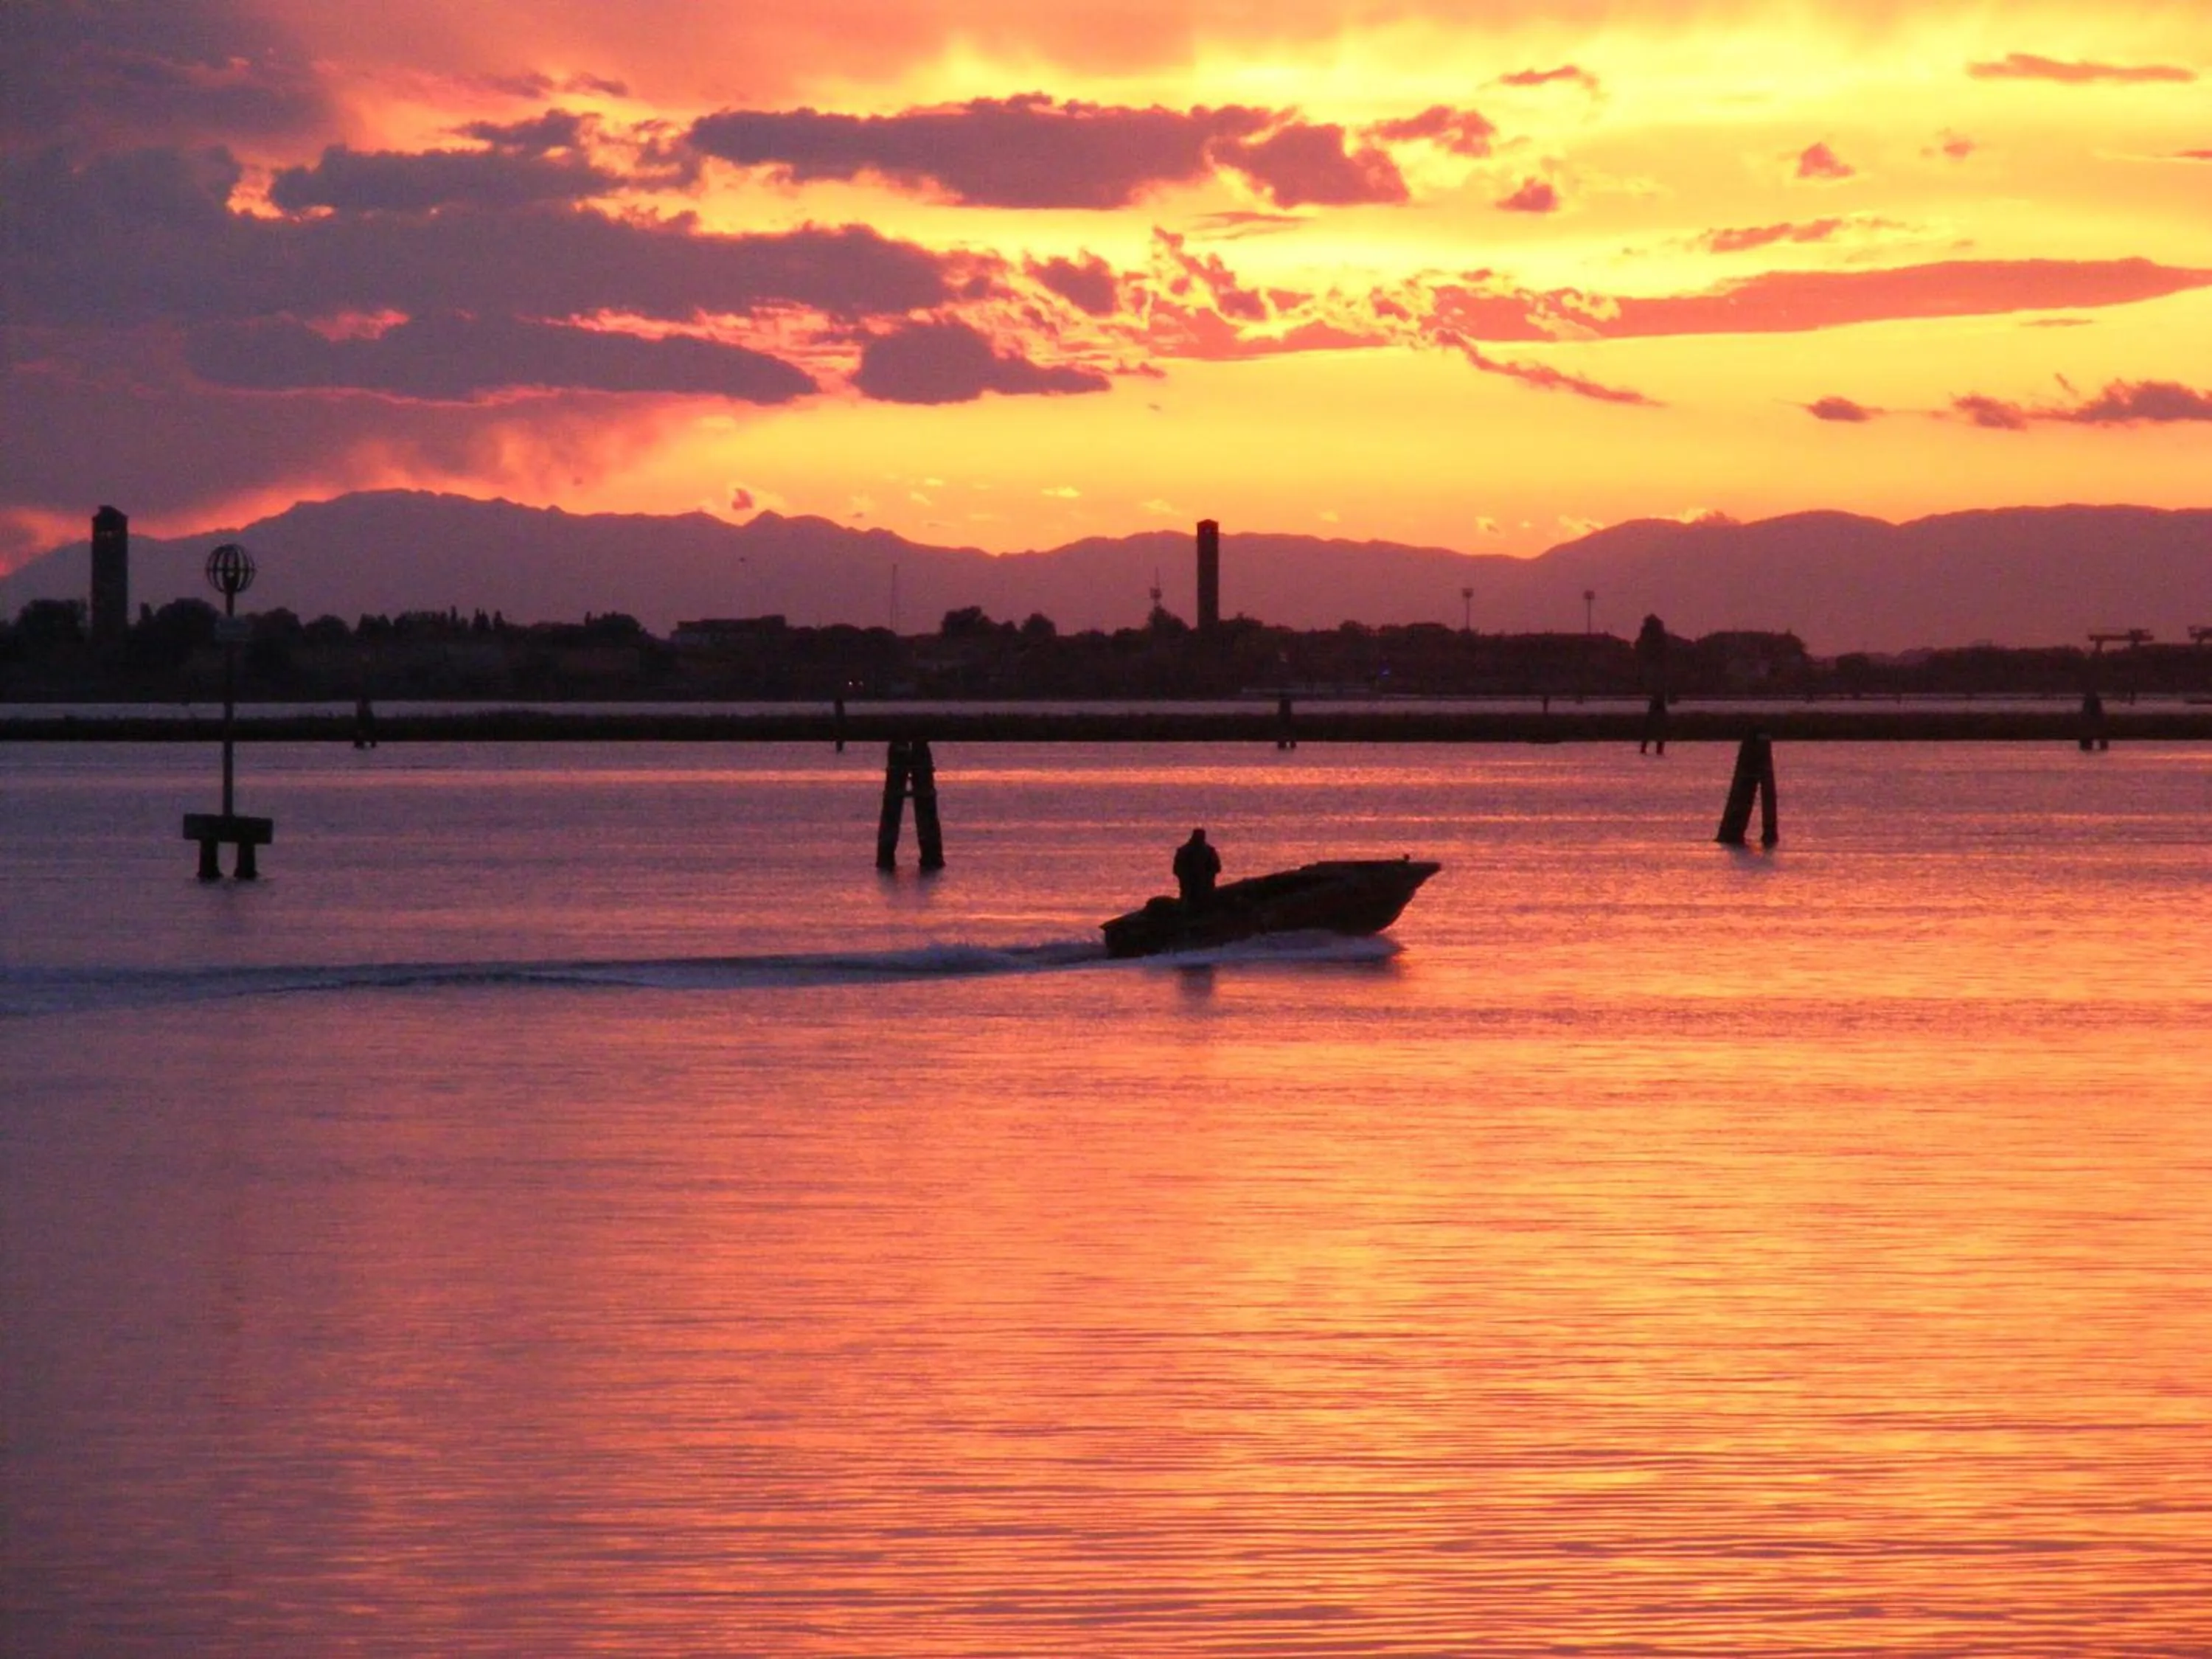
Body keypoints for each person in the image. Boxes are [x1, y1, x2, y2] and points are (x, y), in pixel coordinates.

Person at [1173, 827, 1221, 907]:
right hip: (1191, 885)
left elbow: (1216, 867)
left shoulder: (1208, 851)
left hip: (1203, 885)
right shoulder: (1185, 851)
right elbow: (1177, 869)